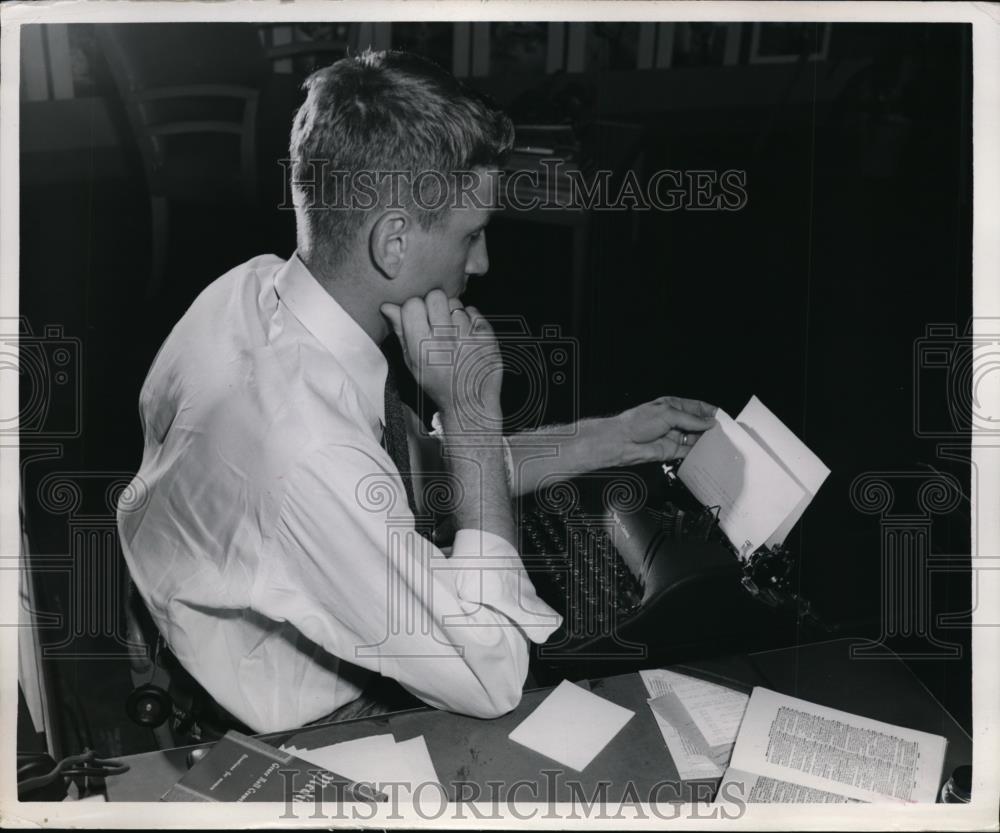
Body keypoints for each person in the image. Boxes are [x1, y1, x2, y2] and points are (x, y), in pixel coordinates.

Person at [117, 49, 717, 734]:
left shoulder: (248, 288)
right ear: (394, 241)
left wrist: (607, 437)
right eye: (473, 234)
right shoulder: (311, 452)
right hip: (301, 724)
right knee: (614, 709)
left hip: (195, 625)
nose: (482, 263)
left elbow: (402, 476)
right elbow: (493, 675)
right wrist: (468, 414)